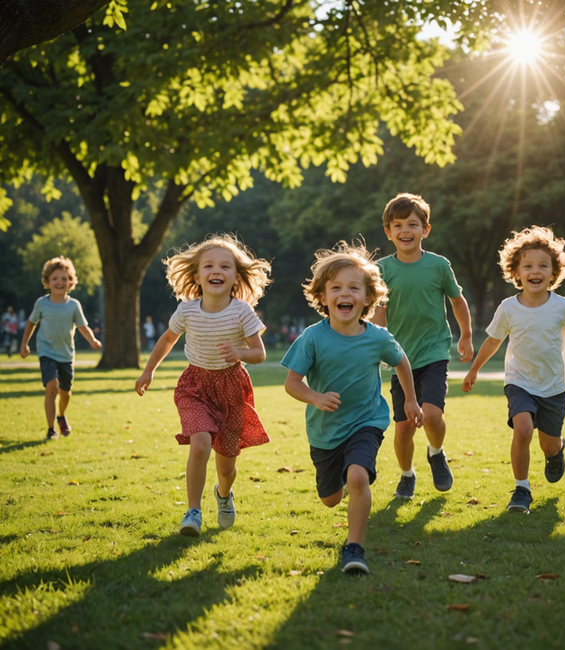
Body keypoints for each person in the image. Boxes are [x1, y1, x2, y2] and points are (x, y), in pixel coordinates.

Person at [282, 242, 422, 575]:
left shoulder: (378, 337)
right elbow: (292, 383)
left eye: (353, 287)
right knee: (331, 498)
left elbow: (401, 362)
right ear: (323, 296)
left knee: (358, 477)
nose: (345, 294)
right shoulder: (312, 338)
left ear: (368, 298)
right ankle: (342, 483)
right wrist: (315, 397)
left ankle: (354, 547)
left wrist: (412, 400)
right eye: (336, 288)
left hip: (367, 420)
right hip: (325, 430)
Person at [462, 226, 565, 514]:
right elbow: (492, 341)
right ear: (516, 271)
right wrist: (474, 370)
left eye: (542, 265)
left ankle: (556, 450)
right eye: (528, 265)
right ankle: (521, 490)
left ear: (554, 272)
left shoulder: (562, 306)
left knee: (547, 445)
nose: (535, 271)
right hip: (519, 381)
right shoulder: (508, 308)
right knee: (522, 429)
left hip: (552, 385)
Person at [135, 234, 271, 536]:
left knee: (226, 466)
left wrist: (239, 353)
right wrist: (148, 371)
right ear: (197, 275)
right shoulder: (187, 310)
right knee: (200, 445)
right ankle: (193, 511)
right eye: (208, 266)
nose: (216, 271)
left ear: (236, 277)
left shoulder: (242, 312)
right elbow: (167, 339)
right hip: (195, 385)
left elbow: (259, 353)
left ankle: (223, 494)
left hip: (232, 389)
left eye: (225, 266)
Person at [370, 193, 473, 500]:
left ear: (425, 230)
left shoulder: (439, 266)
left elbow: (457, 300)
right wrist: (376, 344)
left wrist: (465, 335)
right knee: (403, 429)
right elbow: (378, 312)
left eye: (412, 224)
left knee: (430, 414)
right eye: (398, 225)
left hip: (434, 352)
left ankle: (437, 452)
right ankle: (406, 475)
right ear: (388, 232)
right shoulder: (381, 269)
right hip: (399, 357)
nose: (405, 230)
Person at [20, 257, 102, 440]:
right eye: (55, 278)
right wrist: (24, 343)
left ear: (71, 282)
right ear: (47, 282)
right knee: (52, 387)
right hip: (46, 352)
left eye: (64, 279)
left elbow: (83, 327)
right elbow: (31, 323)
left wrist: (93, 340)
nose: (60, 282)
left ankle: (61, 415)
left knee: (65, 392)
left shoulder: (74, 305)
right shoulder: (41, 304)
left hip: (66, 355)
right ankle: (51, 429)